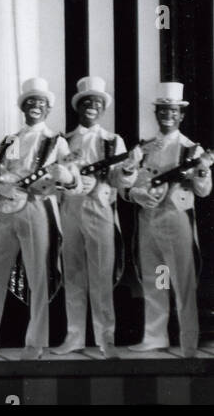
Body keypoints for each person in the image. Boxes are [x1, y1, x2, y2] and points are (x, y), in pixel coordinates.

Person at [0, 77, 78, 360]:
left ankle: (35, 343)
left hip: (37, 209)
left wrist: (66, 176)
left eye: (41, 103)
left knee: (38, 276)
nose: (35, 106)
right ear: (23, 107)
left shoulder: (57, 141)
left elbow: (73, 176)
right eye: (30, 102)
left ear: (48, 109)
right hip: (5, 212)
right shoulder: (10, 140)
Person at [116, 82, 211, 357]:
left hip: (175, 220)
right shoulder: (144, 147)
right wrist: (135, 194)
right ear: (156, 113)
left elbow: (203, 192)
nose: (167, 115)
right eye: (162, 110)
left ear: (181, 116)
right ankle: (155, 336)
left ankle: (189, 340)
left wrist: (203, 173)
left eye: (172, 111)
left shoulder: (191, 151)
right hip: (149, 223)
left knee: (182, 280)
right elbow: (126, 185)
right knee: (157, 278)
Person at [54, 76, 129, 358]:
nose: (91, 107)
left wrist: (127, 169)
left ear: (103, 108)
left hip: (100, 210)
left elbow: (122, 180)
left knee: (101, 275)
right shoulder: (65, 140)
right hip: (71, 211)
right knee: (72, 274)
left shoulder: (113, 141)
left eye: (96, 103)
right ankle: (74, 337)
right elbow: (57, 178)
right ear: (78, 107)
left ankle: (105, 339)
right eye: (86, 102)